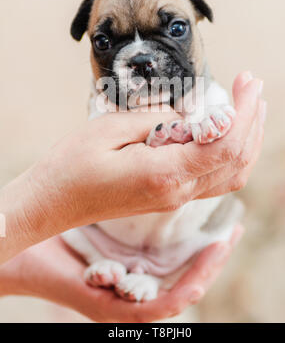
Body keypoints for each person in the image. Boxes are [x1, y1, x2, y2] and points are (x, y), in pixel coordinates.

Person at [0, 72, 265, 322]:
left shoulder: (206, 95)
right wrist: (39, 206)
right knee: (75, 233)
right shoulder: (105, 103)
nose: (144, 61)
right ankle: (106, 261)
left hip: (178, 252)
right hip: (102, 243)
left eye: (175, 30)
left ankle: (154, 278)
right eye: (106, 42)